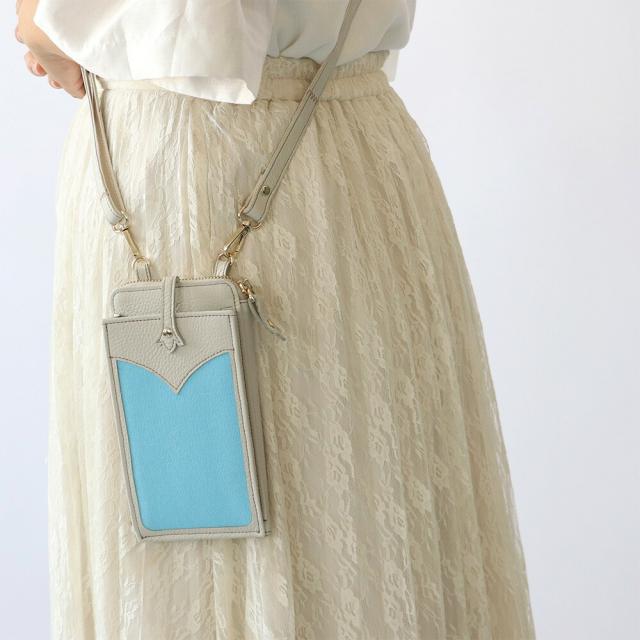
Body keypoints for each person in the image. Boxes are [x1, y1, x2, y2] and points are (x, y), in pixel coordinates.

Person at [16, 1, 536, 638]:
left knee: (199, 544)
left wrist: (41, 26)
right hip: (351, 134)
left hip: (186, 163)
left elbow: (54, 22)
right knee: (355, 515)